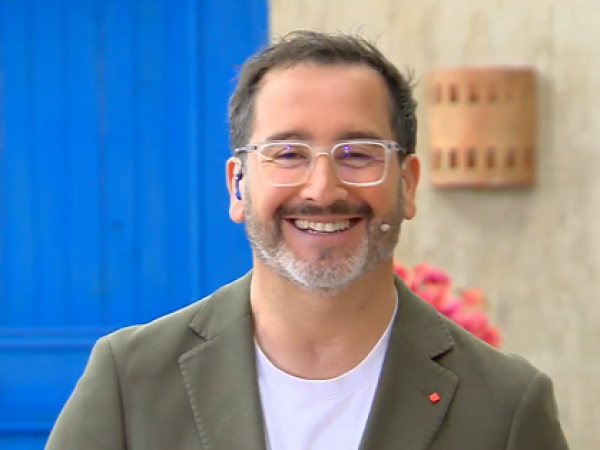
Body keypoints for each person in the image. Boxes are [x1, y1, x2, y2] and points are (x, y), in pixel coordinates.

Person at [45, 30, 570, 450]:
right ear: (237, 185)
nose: (323, 189)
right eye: (288, 154)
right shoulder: (130, 381)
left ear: (407, 185)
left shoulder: (504, 406)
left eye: (358, 154)